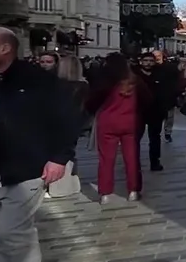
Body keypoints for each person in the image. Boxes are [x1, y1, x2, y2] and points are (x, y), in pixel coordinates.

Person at [0, 26, 77, 262]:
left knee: (13, 232)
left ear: (4, 48)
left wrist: (59, 158)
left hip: (25, 171)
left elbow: (65, 121)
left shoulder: (38, 81)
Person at [86, 53, 152, 203]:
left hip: (107, 122)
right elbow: (148, 99)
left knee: (106, 159)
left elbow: (91, 102)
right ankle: (133, 191)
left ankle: (105, 193)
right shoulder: (135, 81)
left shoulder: (104, 82)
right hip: (130, 121)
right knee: (131, 157)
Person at [47, 56, 90, 199]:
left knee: (58, 153)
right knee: (69, 151)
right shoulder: (84, 86)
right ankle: (70, 184)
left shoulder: (57, 86)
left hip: (58, 123)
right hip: (77, 124)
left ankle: (59, 186)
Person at [135, 50, 177, 171]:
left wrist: (165, 106)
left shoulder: (160, 73)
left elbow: (167, 90)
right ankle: (134, 162)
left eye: (151, 61)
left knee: (155, 138)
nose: (148, 63)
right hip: (139, 111)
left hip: (156, 111)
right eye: (146, 61)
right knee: (135, 138)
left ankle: (155, 161)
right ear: (141, 62)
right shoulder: (135, 75)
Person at [154, 50, 178, 142]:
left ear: (162, 56)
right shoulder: (152, 68)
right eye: (155, 56)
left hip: (169, 96)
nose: (156, 58)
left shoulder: (170, 67)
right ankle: (157, 132)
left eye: (158, 56)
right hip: (156, 98)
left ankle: (168, 132)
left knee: (169, 117)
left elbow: (176, 80)